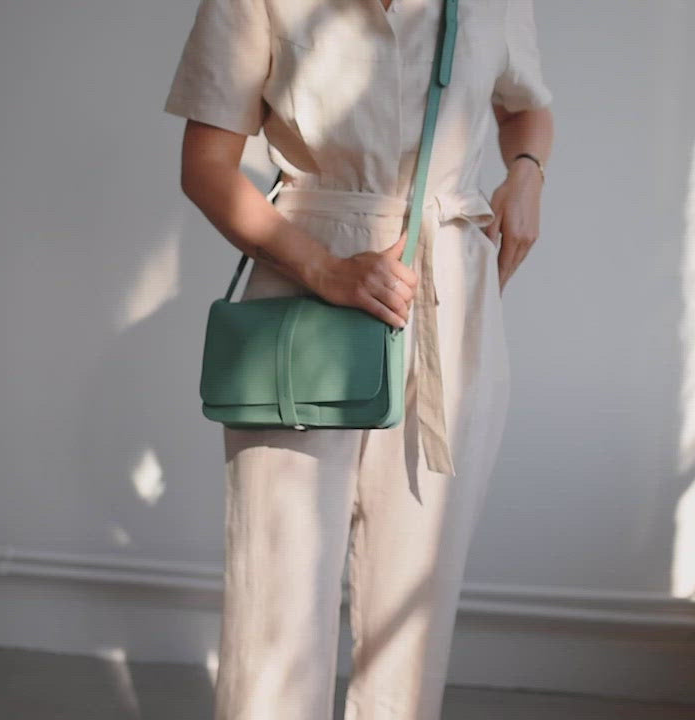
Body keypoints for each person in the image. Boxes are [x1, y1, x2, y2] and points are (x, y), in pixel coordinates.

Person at [163, 0, 554, 718]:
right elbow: (206, 166)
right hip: (300, 299)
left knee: (412, 616)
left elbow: (526, 105)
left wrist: (526, 173)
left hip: (449, 302)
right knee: (274, 609)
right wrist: (324, 270)